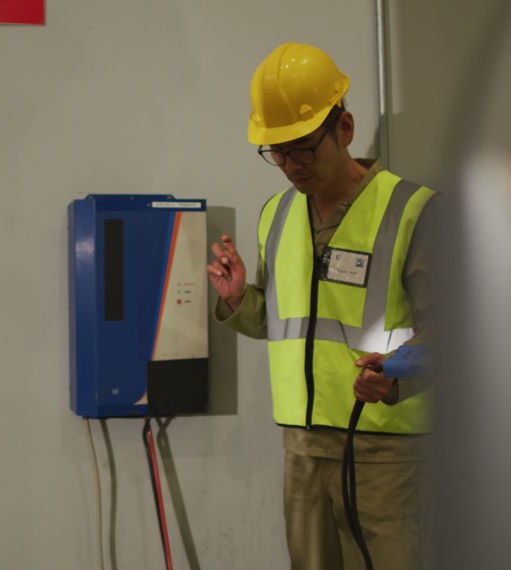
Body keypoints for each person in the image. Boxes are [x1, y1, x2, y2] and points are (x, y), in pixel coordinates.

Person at [207, 42, 438, 570]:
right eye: (277, 152)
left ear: (346, 128)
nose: (290, 165)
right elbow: (289, 324)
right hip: (303, 448)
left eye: (303, 147)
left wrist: (397, 375)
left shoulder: (412, 210)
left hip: (386, 450)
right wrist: (241, 298)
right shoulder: (277, 215)